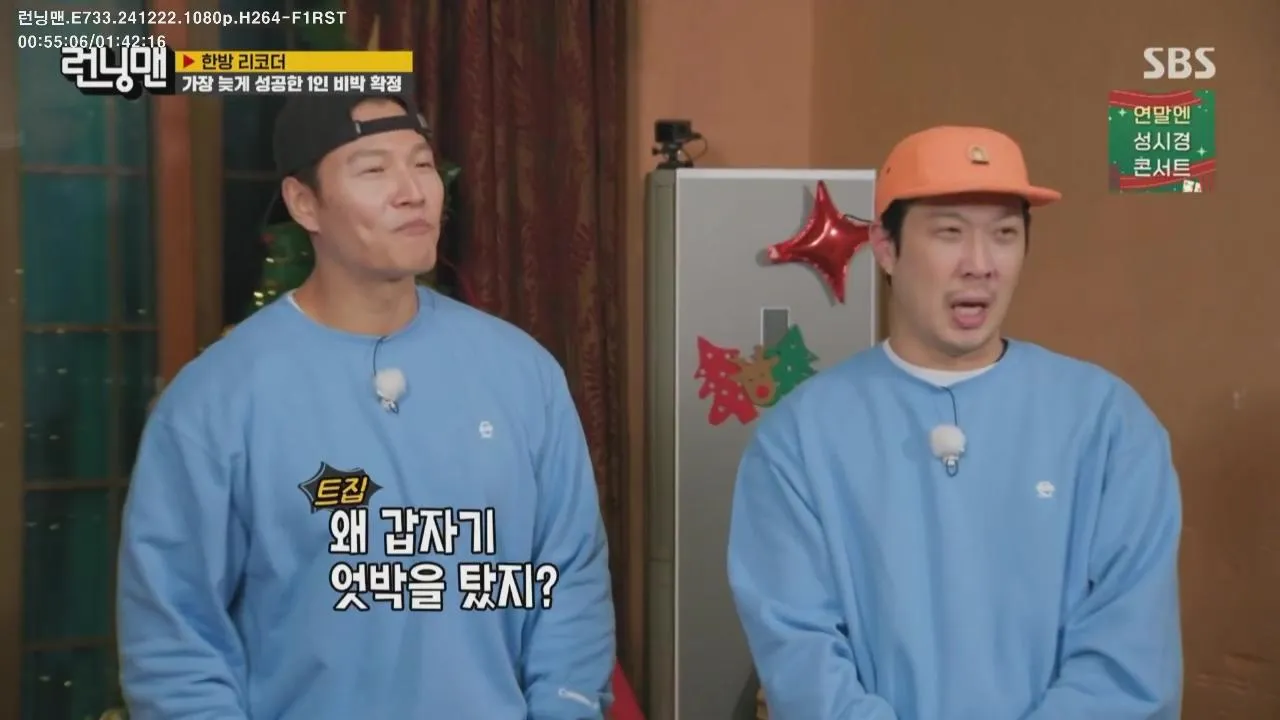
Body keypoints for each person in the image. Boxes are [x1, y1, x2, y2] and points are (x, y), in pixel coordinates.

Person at [118, 92, 615, 719]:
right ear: (304, 203)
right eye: (374, 170)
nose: (412, 193)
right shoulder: (216, 398)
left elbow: (570, 577)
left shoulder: (522, 373)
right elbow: (174, 636)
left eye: (422, 164)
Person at [728, 126, 1182, 719]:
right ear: (885, 248)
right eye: (949, 233)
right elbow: (802, 656)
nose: (980, 265)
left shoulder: (1109, 423)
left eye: (1004, 235)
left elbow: (1131, 657)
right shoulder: (800, 438)